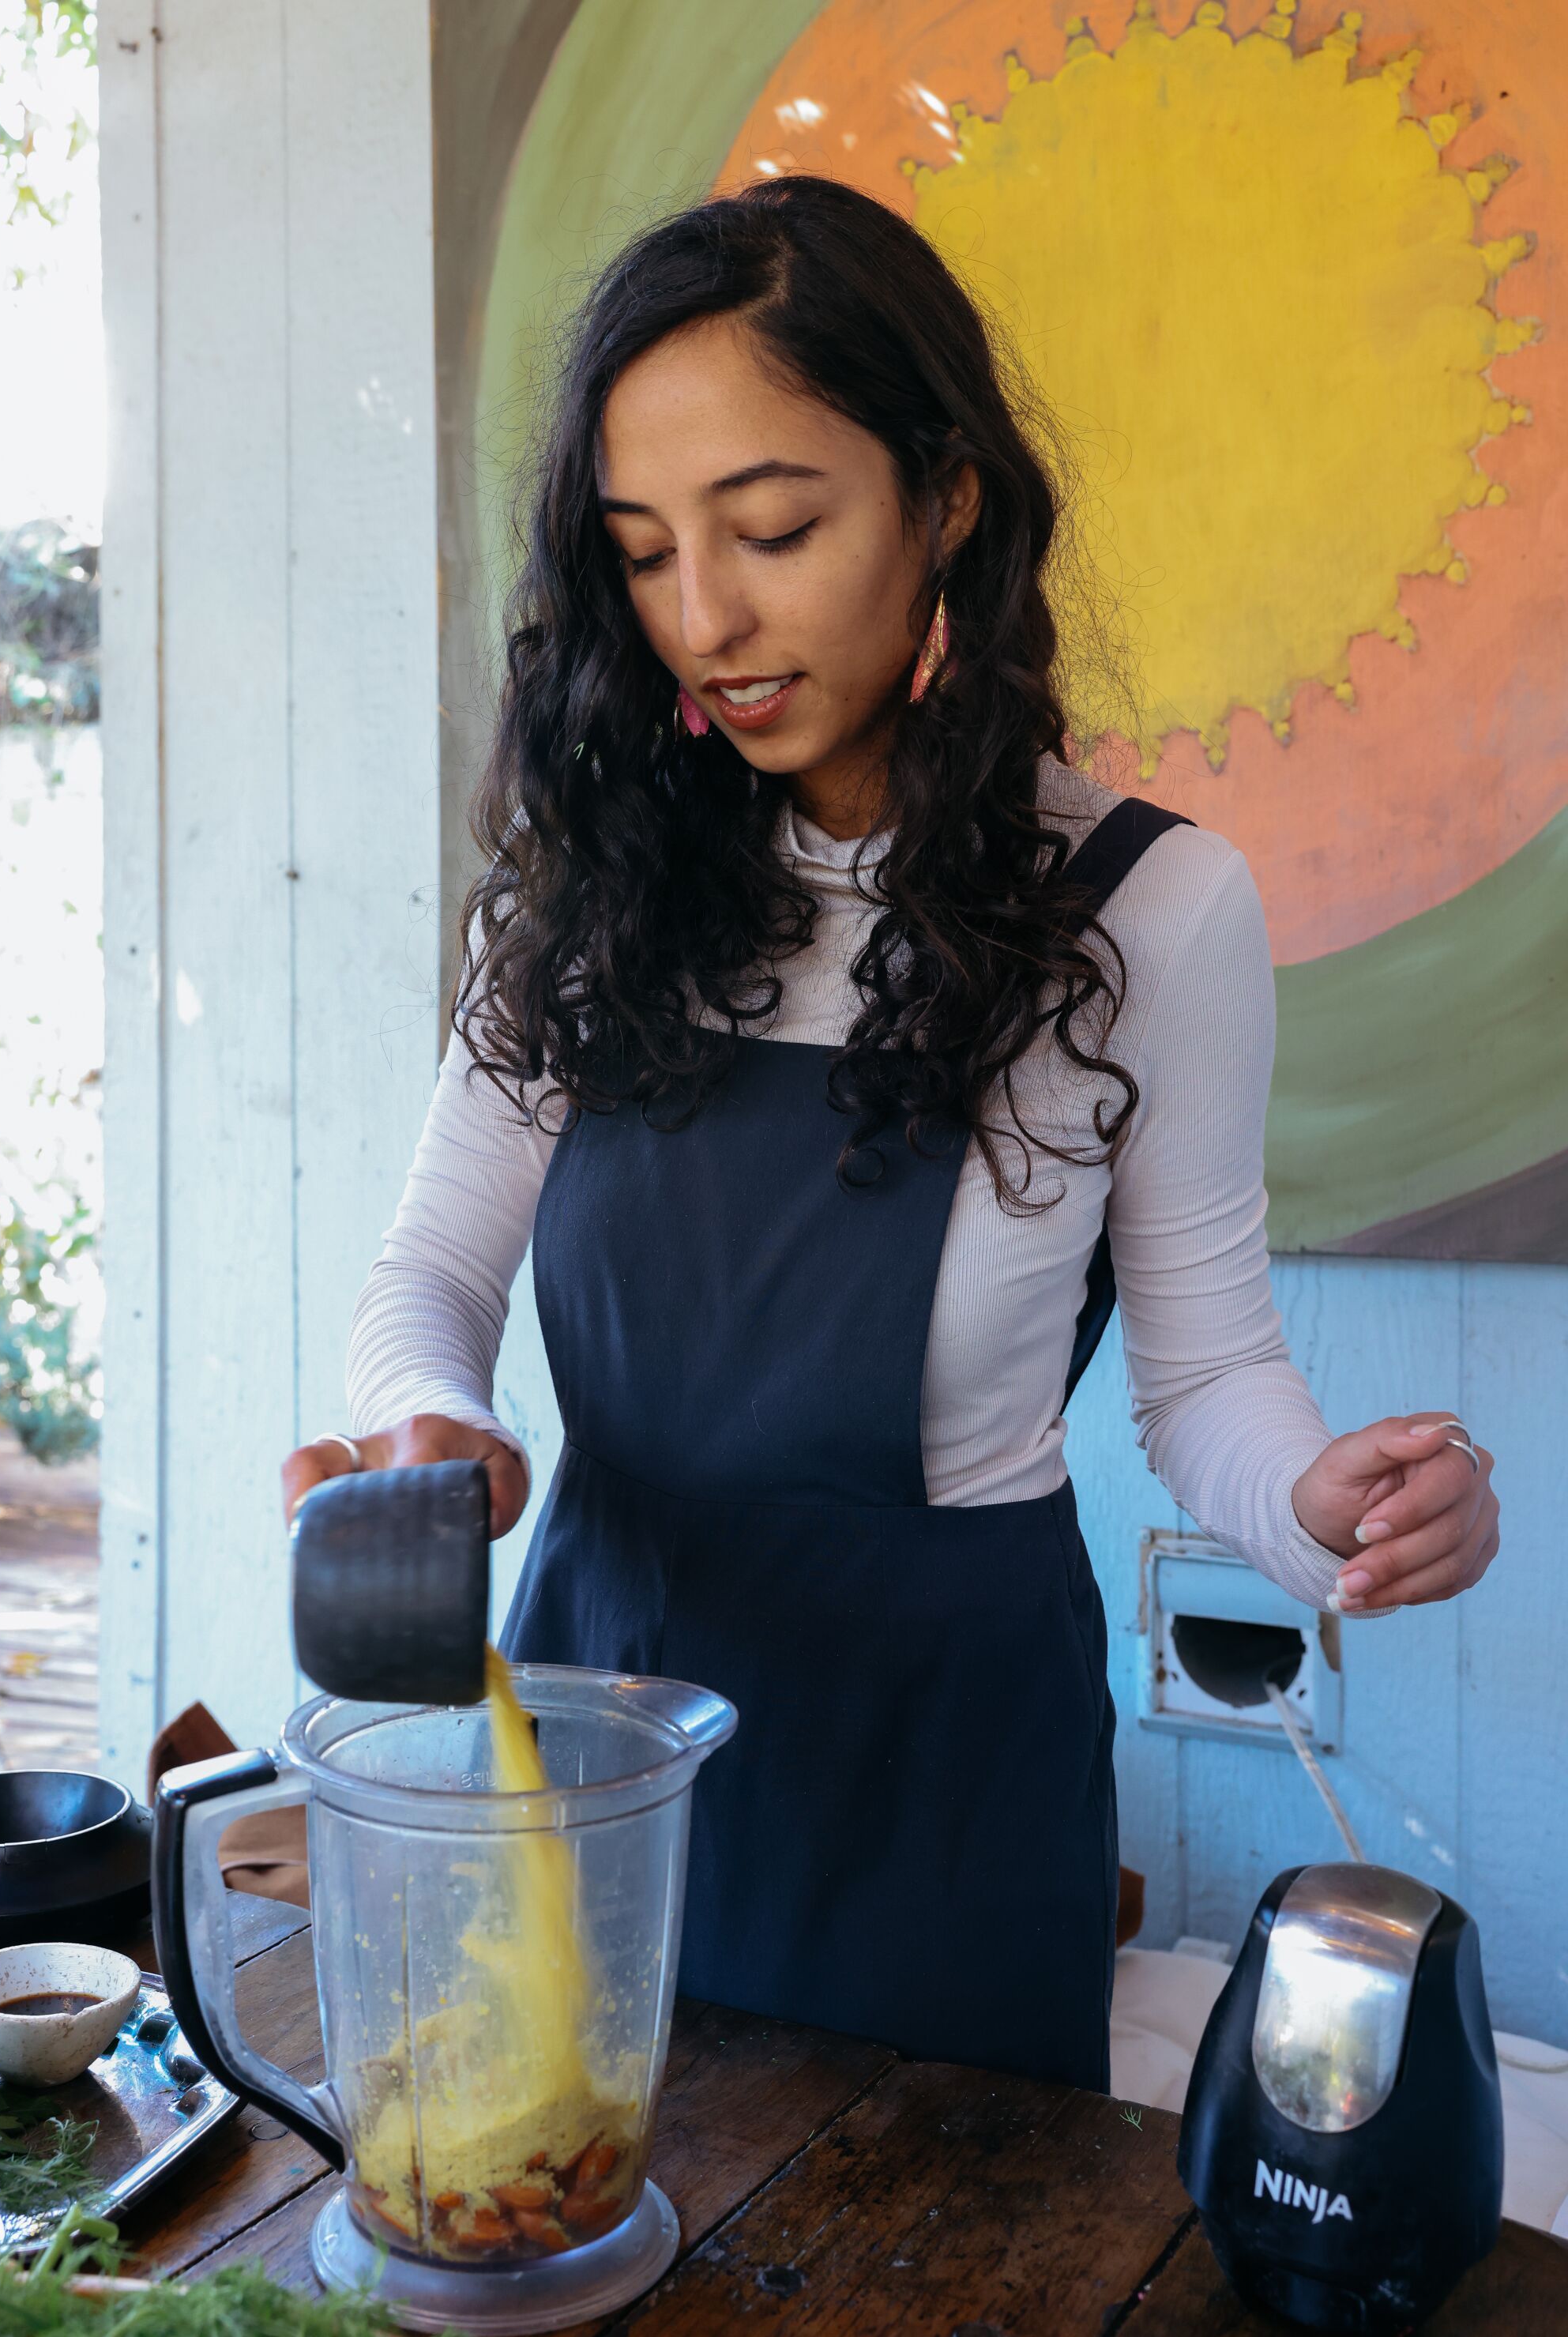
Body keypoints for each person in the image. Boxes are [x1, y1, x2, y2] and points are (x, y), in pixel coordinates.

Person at [282, 177, 1498, 2090]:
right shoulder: (592, 885)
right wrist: (438, 1428)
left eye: (771, 529)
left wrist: (1324, 1497)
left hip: (941, 1757)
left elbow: (1207, 1378)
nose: (705, 619)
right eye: (644, 552)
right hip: (595, 1712)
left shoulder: (1147, 913)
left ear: (945, 497)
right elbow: (432, 1269)